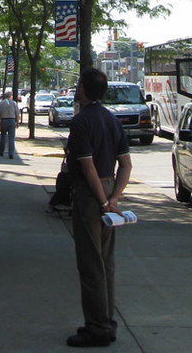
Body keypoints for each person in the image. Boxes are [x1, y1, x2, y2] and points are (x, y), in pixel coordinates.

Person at [65, 68, 132, 348]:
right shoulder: (112, 120)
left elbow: (87, 167)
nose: (76, 88)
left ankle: (96, 329)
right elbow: (126, 165)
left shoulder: (81, 122)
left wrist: (103, 202)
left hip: (90, 195)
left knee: (91, 265)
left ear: (83, 88)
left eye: (78, 84)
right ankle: (107, 322)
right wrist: (115, 198)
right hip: (108, 187)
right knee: (106, 263)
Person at [0, 88, 20, 158]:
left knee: (3, 136)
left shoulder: (1, 103)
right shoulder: (14, 103)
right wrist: (17, 122)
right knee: (11, 138)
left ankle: (1, 151)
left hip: (4, 120)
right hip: (12, 120)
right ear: (11, 95)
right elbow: (17, 114)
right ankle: (11, 153)